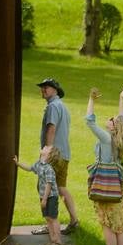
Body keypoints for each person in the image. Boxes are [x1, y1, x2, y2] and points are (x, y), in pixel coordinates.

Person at [85, 83, 123, 245]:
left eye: (112, 120)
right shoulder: (121, 141)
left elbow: (89, 121)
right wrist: (121, 98)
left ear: (113, 128)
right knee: (120, 228)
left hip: (105, 189)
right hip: (118, 190)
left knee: (107, 226)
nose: (110, 119)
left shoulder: (106, 139)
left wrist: (91, 100)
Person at [31, 78, 79, 236]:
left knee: (45, 188)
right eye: (42, 87)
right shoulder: (63, 106)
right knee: (61, 188)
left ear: (55, 90)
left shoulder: (52, 106)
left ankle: (50, 225)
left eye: (47, 87)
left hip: (53, 156)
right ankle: (74, 221)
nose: (43, 89)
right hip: (64, 154)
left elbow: (51, 129)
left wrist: (47, 151)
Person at [14, 146, 63, 245]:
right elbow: (30, 168)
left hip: (51, 197)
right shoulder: (39, 164)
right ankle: (53, 240)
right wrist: (18, 164)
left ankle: (58, 241)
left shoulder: (49, 169)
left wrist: (44, 199)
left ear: (49, 155)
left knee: (53, 218)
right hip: (43, 196)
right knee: (48, 218)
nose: (45, 146)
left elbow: (49, 185)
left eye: (47, 148)